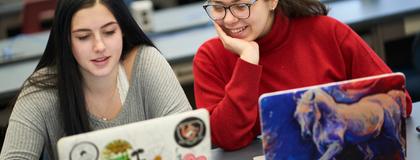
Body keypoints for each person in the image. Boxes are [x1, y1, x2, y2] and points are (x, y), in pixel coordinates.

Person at [193, 0, 413, 150]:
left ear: (272, 1)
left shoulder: (327, 32)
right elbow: (224, 139)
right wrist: (248, 61)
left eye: (241, 6)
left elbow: (399, 102)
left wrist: (339, 115)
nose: (229, 20)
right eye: (219, 7)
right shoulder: (210, 57)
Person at [0, 0, 191, 159]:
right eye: (83, 37)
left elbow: (189, 142)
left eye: (109, 32)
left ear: (123, 30)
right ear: (66, 40)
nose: (99, 46)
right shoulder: (40, 91)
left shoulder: (146, 63)